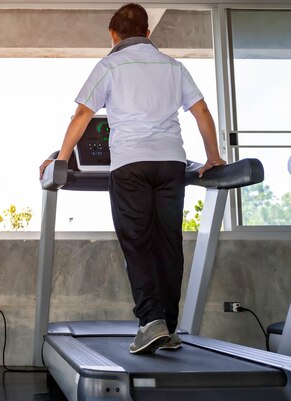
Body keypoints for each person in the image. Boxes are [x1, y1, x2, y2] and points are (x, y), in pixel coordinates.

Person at [40, 3, 226, 354]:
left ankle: (151, 320)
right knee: (168, 243)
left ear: (114, 34)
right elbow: (201, 111)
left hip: (130, 164)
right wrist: (213, 155)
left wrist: (60, 160)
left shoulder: (110, 64)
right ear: (148, 33)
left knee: (137, 242)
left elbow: (83, 114)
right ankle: (168, 328)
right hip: (171, 162)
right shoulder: (173, 66)